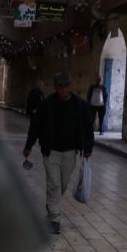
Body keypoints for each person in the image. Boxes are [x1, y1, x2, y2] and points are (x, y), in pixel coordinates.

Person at [22, 72, 94, 235]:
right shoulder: (46, 105)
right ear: (55, 87)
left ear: (70, 87)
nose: (62, 90)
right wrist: (29, 145)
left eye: (65, 86)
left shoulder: (80, 106)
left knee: (62, 183)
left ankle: (52, 204)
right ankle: (55, 218)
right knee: (54, 183)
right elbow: (35, 126)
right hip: (51, 151)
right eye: (59, 86)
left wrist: (88, 148)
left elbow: (88, 127)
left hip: (70, 152)